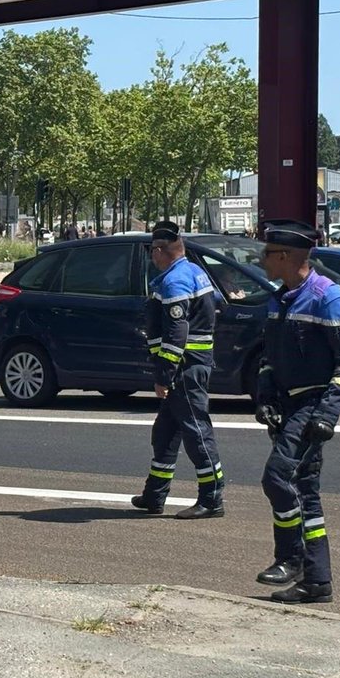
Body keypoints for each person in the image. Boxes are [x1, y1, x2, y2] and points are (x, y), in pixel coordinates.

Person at [253, 220, 340, 604]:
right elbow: (269, 356)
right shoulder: (279, 297)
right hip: (285, 406)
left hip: (312, 405)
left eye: (266, 254)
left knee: (276, 478)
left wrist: (327, 415)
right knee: (305, 494)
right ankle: (317, 583)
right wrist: (265, 395)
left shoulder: (327, 298)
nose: (261, 259)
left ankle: (290, 559)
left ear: (284, 257)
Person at [131, 220, 225, 519]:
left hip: (184, 368)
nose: (150, 257)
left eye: (151, 251)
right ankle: (154, 495)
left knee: (196, 432)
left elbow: (176, 334)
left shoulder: (174, 281)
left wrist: (164, 375)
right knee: (165, 434)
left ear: (161, 251)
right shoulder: (195, 271)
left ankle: (211, 499)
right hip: (191, 365)